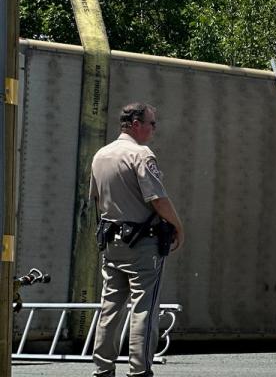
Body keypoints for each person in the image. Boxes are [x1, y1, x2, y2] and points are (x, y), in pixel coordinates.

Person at [90, 102, 184, 377]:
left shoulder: (101, 155)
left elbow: (96, 198)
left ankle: (102, 369)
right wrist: (178, 226)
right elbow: (158, 199)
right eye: (151, 123)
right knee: (144, 308)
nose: (154, 129)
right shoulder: (141, 155)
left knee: (110, 307)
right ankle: (140, 370)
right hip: (142, 245)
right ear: (135, 124)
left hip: (111, 242)